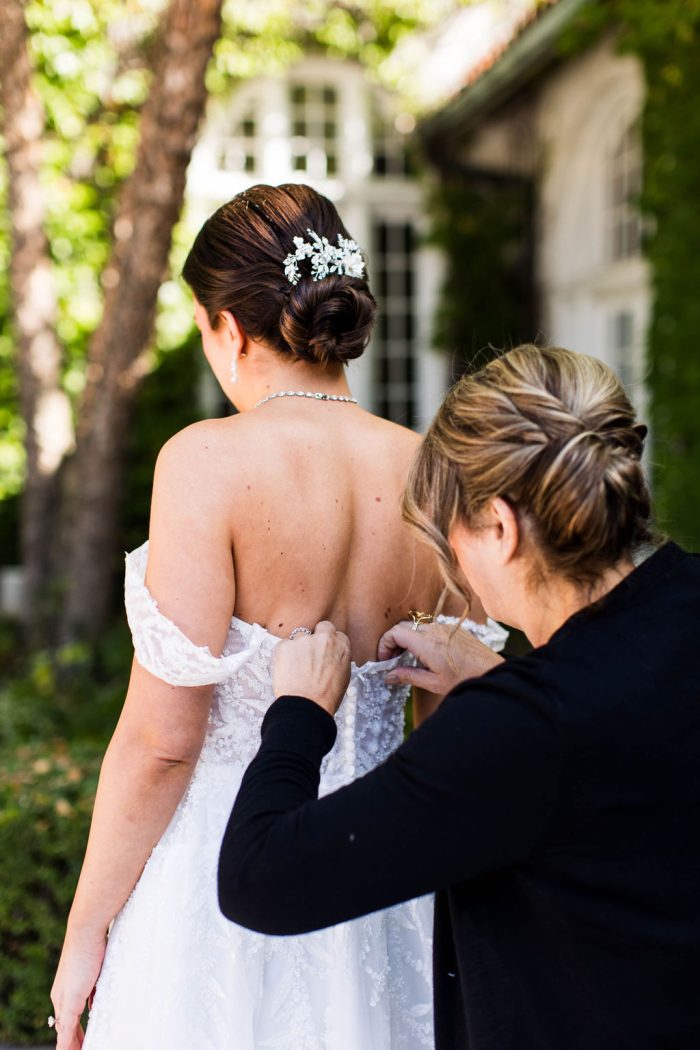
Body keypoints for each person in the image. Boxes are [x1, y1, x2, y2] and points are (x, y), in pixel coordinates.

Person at [49, 183, 507, 1050]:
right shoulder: (435, 472)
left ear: (227, 327)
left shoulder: (205, 463)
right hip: (388, 880)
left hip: (222, 890)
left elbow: (163, 743)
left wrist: (84, 935)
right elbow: (454, 729)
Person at [219, 344, 700, 1050]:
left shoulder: (520, 731)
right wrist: (501, 680)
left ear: (500, 527)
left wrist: (299, 712)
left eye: (451, 531)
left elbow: (260, 879)